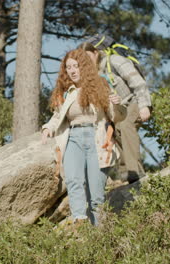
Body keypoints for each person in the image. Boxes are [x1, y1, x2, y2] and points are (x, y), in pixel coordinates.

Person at [41, 48, 126, 226]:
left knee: (96, 194)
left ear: (85, 67)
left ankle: (100, 234)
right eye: (68, 67)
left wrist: (118, 105)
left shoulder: (100, 86)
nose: (72, 71)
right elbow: (57, 116)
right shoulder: (66, 92)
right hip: (73, 137)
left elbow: (116, 116)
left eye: (76, 66)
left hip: (97, 138)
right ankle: (79, 221)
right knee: (73, 180)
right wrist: (48, 128)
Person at [80, 35, 152, 183]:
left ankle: (135, 171)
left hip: (134, 101)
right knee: (111, 130)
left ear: (95, 52)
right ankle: (127, 172)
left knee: (125, 125)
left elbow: (138, 82)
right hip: (118, 109)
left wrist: (144, 105)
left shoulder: (114, 61)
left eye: (88, 57)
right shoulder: (95, 75)